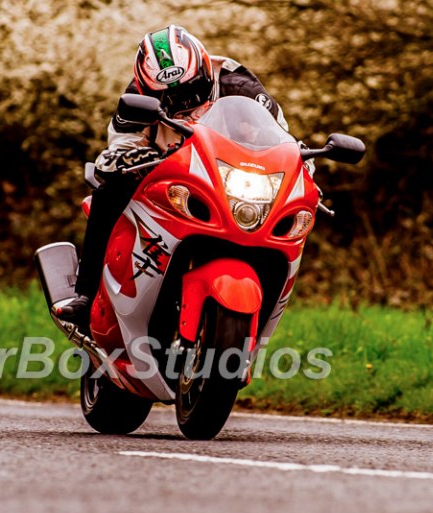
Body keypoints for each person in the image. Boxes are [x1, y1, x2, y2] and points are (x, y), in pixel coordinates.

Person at [56, 25, 289, 330]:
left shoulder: (241, 85)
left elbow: (282, 138)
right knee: (107, 192)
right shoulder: (137, 92)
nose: (185, 102)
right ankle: (85, 294)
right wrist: (129, 159)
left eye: (192, 90)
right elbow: (121, 142)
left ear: (205, 71)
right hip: (163, 169)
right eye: (169, 97)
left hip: (228, 175)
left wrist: (303, 170)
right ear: (147, 89)